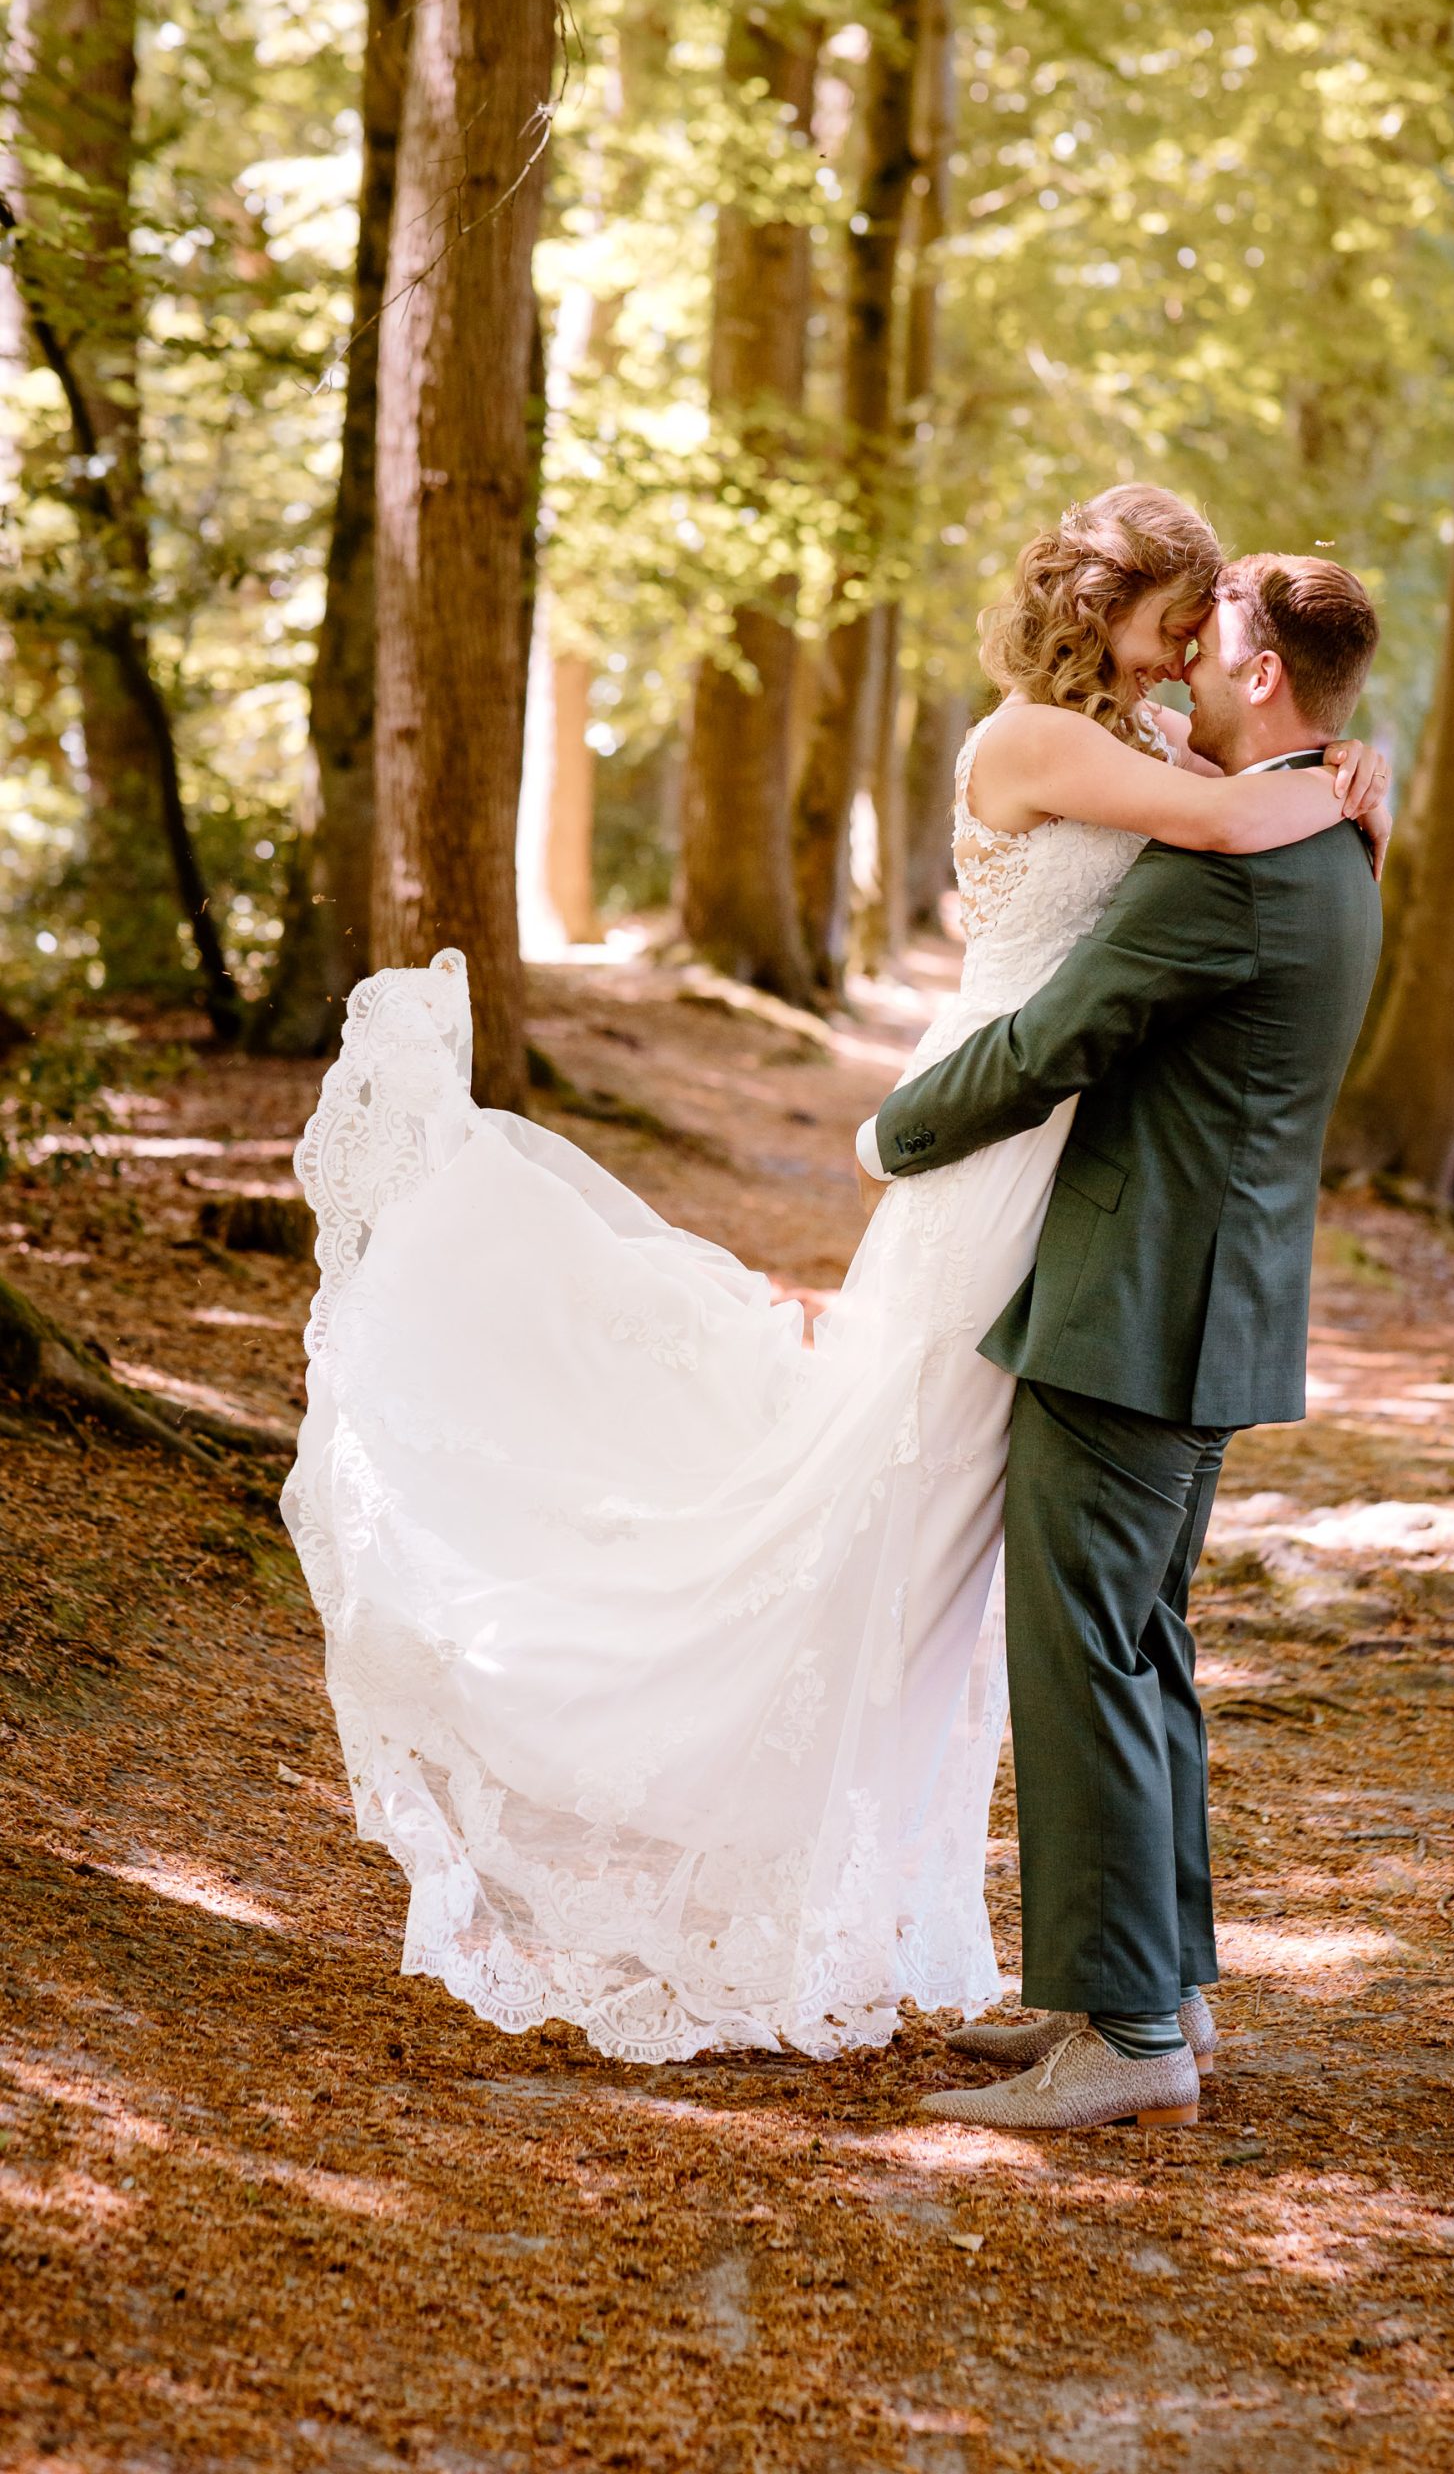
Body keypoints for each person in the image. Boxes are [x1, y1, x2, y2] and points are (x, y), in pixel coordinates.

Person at [282, 488, 1388, 2066]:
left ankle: (1130, 2000)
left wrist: (1327, 767)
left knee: (1042, 1597)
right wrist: (1331, 780)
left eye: (1212, 624)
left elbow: (1215, 841)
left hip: (1070, 1199)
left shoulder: (1192, 768)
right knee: (931, 1526)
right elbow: (1214, 837)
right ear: (1108, 607)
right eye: (1175, 612)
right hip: (1007, 1169)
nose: (1184, 647)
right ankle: (1108, 1983)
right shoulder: (1049, 745)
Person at [854, 552, 1385, 2130]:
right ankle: (1152, 1988)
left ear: (1262, 672)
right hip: (1210, 1296)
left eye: (1212, 632)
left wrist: (895, 1131)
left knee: (1084, 1648)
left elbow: (1059, 1036)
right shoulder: (1342, 838)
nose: (1184, 660)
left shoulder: (1236, 861)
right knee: (1141, 1644)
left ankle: (1131, 2039)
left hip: (1135, 1304)